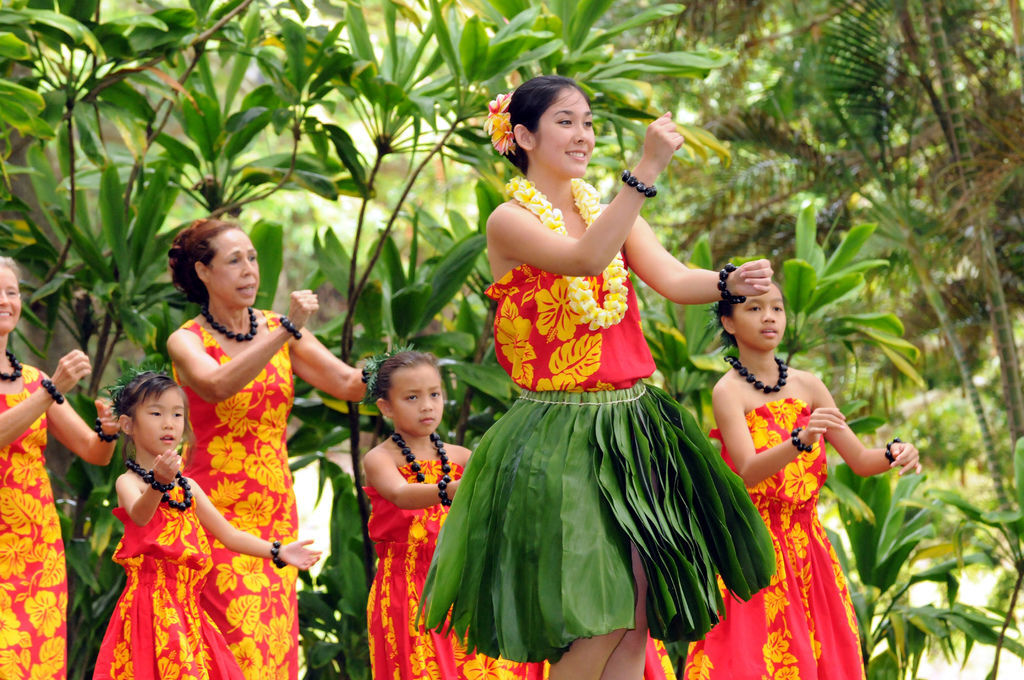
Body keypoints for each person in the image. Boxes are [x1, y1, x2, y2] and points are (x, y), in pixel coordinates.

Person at [421, 75, 778, 680]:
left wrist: (727, 281)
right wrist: (645, 170)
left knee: (638, 606)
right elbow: (583, 259)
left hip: (634, 425)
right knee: (602, 610)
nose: (582, 135)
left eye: (587, 121)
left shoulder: (600, 209)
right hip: (562, 433)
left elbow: (668, 276)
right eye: (565, 121)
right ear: (524, 136)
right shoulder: (509, 221)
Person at [683, 284, 922, 679]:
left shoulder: (809, 385)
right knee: (749, 664)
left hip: (809, 551)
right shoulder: (728, 392)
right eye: (755, 308)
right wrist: (801, 440)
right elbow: (746, 469)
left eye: (777, 307)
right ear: (728, 321)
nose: (769, 316)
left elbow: (860, 460)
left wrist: (895, 451)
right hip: (755, 551)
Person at [166, 219, 364, 678]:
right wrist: (284, 331)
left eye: (252, 258)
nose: (249, 270)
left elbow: (346, 383)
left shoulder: (278, 328)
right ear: (204, 272)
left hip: (275, 504)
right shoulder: (188, 340)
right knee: (233, 639)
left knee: (273, 642)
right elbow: (216, 385)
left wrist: (408, 377)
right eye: (234, 261)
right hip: (214, 509)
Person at [93, 371, 321, 680]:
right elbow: (141, 516)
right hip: (148, 608)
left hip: (188, 611)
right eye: (156, 413)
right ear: (128, 425)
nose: (169, 422)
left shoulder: (187, 487)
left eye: (177, 414)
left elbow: (229, 535)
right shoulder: (128, 482)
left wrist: (278, 551)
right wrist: (158, 484)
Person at [0, 256, 119, 680]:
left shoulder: (32, 379)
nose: (6, 300)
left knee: (36, 661)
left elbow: (92, 452)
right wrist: (51, 390)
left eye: (12, 292)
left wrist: (107, 432)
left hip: (36, 548)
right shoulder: (43, 388)